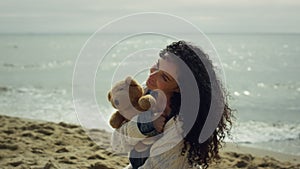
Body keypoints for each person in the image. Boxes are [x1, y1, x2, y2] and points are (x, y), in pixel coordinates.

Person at [111, 41, 233, 169]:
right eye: (157, 65)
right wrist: (146, 124)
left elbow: (153, 166)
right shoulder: (145, 91)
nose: (152, 75)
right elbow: (117, 144)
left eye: (164, 77)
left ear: (179, 88)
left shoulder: (180, 125)